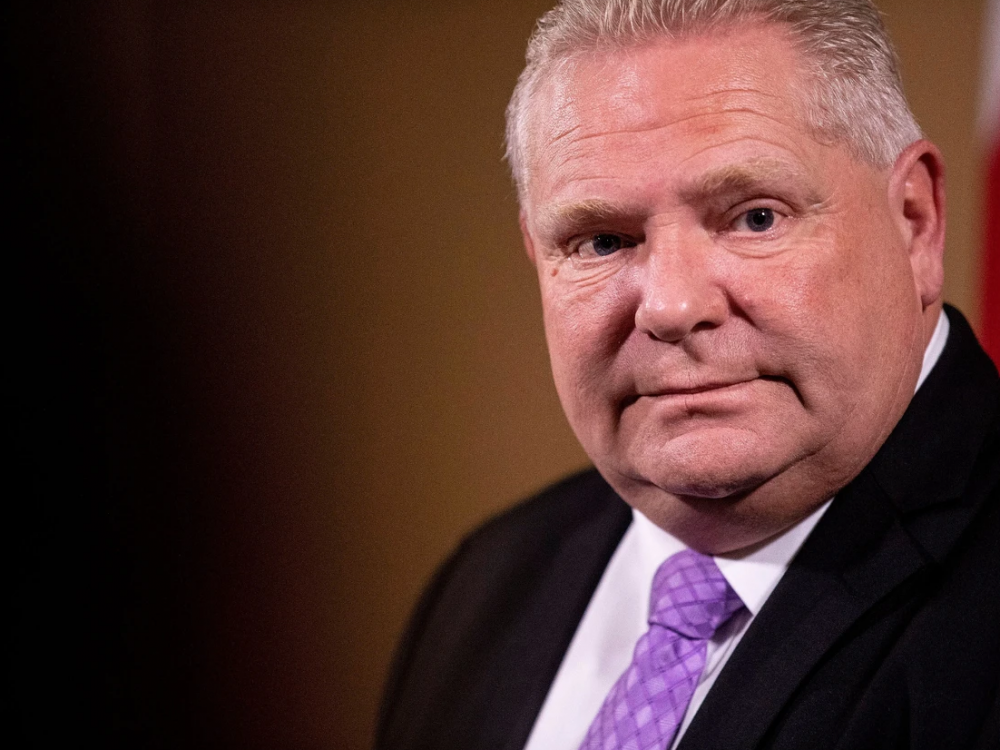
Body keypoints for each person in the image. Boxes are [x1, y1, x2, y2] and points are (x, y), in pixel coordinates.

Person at [376, 1, 1000, 748]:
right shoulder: (486, 589)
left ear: (914, 220)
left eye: (754, 217)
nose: (672, 306)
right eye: (602, 240)